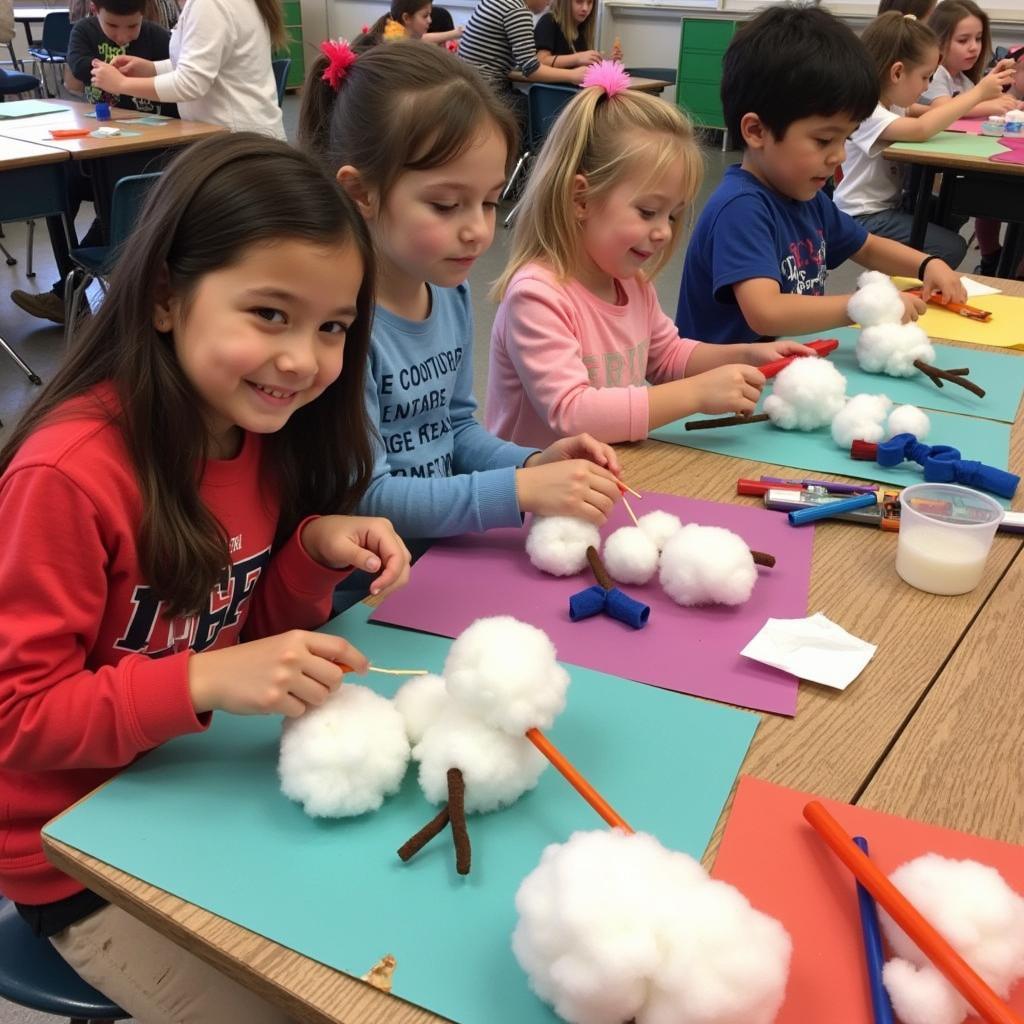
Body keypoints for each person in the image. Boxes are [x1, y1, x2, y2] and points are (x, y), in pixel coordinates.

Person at [0, 133, 410, 1024]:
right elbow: (17, 720)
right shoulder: (67, 475)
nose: (304, 359)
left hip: (198, 781)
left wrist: (307, 555)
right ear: (162, 300)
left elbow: (246, 638)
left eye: (332, 327)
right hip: (70, 855)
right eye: (270, 314)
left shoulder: (256, 438)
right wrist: (199, 681)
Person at [300, 40, 624, 604]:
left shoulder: (447, 292)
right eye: (447, 206)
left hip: (446, 561)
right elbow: (369, 497)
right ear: (361, 193)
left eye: (490, 201)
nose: (477, 230)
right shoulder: (339, 328)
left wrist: (533, 460)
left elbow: (455, 431)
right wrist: (519, 489)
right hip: (367, 594)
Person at [485, 64, 813, 448]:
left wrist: (747, 354)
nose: (663, 232)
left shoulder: (631, 283)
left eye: (672, 215)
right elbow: (572, 414)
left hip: (606, 478)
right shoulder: (537, 296)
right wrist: (695, 394)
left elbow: (667, 357)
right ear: (580, 199)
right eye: (647, 212)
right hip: (535, 500)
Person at [674, 4, 966, 346]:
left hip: (779, 377)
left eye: (846, 137)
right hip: (720, 391)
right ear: (756, 131)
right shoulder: (741, 208)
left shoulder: (807, 198)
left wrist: (928, 264)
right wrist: (868, 306)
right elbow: (765, 311)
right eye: (824, 140)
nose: (839, 155)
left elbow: (868, 247)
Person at [834, 11, 1014, 269]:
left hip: (887, 205)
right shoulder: (868, 111)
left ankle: (908, 270)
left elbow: (932, 114)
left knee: (957, 203)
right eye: (925, 77)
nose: (927, 87)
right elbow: (921, 128)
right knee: (949, 248)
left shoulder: (892, 104)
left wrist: (982, 95)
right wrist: (978, 94)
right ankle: (905, 287)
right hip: (862, 216)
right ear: (897, 73)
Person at [90, 0, 286, 138]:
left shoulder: (209, 5)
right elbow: (206, 63)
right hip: (244, 136)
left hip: (238, 141)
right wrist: (152, 69)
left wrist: (121, 84)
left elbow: (191, 83)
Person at [924, 0, 1021, 276]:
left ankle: (1003, 263)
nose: (974, 47)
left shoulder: (964, 81)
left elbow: (974, 103)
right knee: (983, 198)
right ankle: (997, 261)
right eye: (963, 40)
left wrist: (995, 94)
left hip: (958, 164)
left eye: (978, 39)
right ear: (939, 42)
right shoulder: (937, 74)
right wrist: (990, 102)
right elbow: (944, 109)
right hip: (935, 174)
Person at [457, 0, 591, 119]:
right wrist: (572, 75)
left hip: (467, 84)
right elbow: (531, 69)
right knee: (539, 114)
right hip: (483, 90)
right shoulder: (517, 11)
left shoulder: (500, 3)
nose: (549, 3)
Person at [68, 0, 176, 117]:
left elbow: (176, 72)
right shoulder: (84, 31)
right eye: (112, 25)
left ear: (143, 12)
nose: (122, 37)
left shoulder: (156, 35)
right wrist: (108, 71)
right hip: (105, 119)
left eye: (132, 26)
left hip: (155, 119)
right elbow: (78, 66)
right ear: (94, 10)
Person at [356, 0, 463, 48]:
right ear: (406, 18)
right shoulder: (396, 46)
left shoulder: (405, 40)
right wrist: (455, 33)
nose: (430, 20)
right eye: (425, 16)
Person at [533, 0, 602, 70]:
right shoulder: (549, 21)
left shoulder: (583, 28)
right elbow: (540, 61)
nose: (585, 8)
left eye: (590, 2)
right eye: (579, 1)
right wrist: (578, 58)